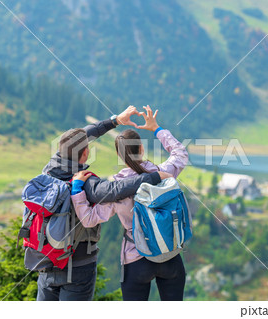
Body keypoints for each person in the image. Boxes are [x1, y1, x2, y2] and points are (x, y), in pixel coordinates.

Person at [33, 106, 170, 301]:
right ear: (85, 154)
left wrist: (115, 120)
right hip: (77, 267)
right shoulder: (85, 182)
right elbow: (113, 191)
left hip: (47, 262)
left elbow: (81, 137)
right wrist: (154, 176)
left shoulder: (49, 168)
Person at [71, 105, 189, 301]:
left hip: (136, 259)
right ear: (141, 148)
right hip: (170, 255)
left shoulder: (116, 190)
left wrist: (77, 189)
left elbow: (89, 219)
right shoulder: (163, 173)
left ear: (120, 155)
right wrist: (157, 129)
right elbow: (180, 154)